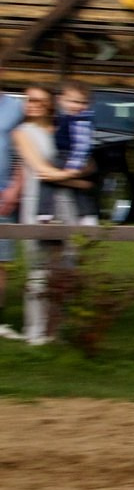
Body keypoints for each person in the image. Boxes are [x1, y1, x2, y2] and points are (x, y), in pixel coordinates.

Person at [10, 84, 97, 344]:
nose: (32, 104)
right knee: (39, 268)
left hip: (69, 204)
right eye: (28, 100)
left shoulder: (65, 128)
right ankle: (35, 331)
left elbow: (90, 162)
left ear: (51, 103)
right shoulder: (22, 133)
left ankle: (55, 329)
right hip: (39, 204)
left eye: (38, 99)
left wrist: (77, 178)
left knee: (67, 266)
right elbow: (42, 171)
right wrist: (76, 179)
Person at [0, 88, 22, 338]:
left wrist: (15, 188)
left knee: (1, 262)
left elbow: (21, 153)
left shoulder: (14, 108)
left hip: (3, 197)